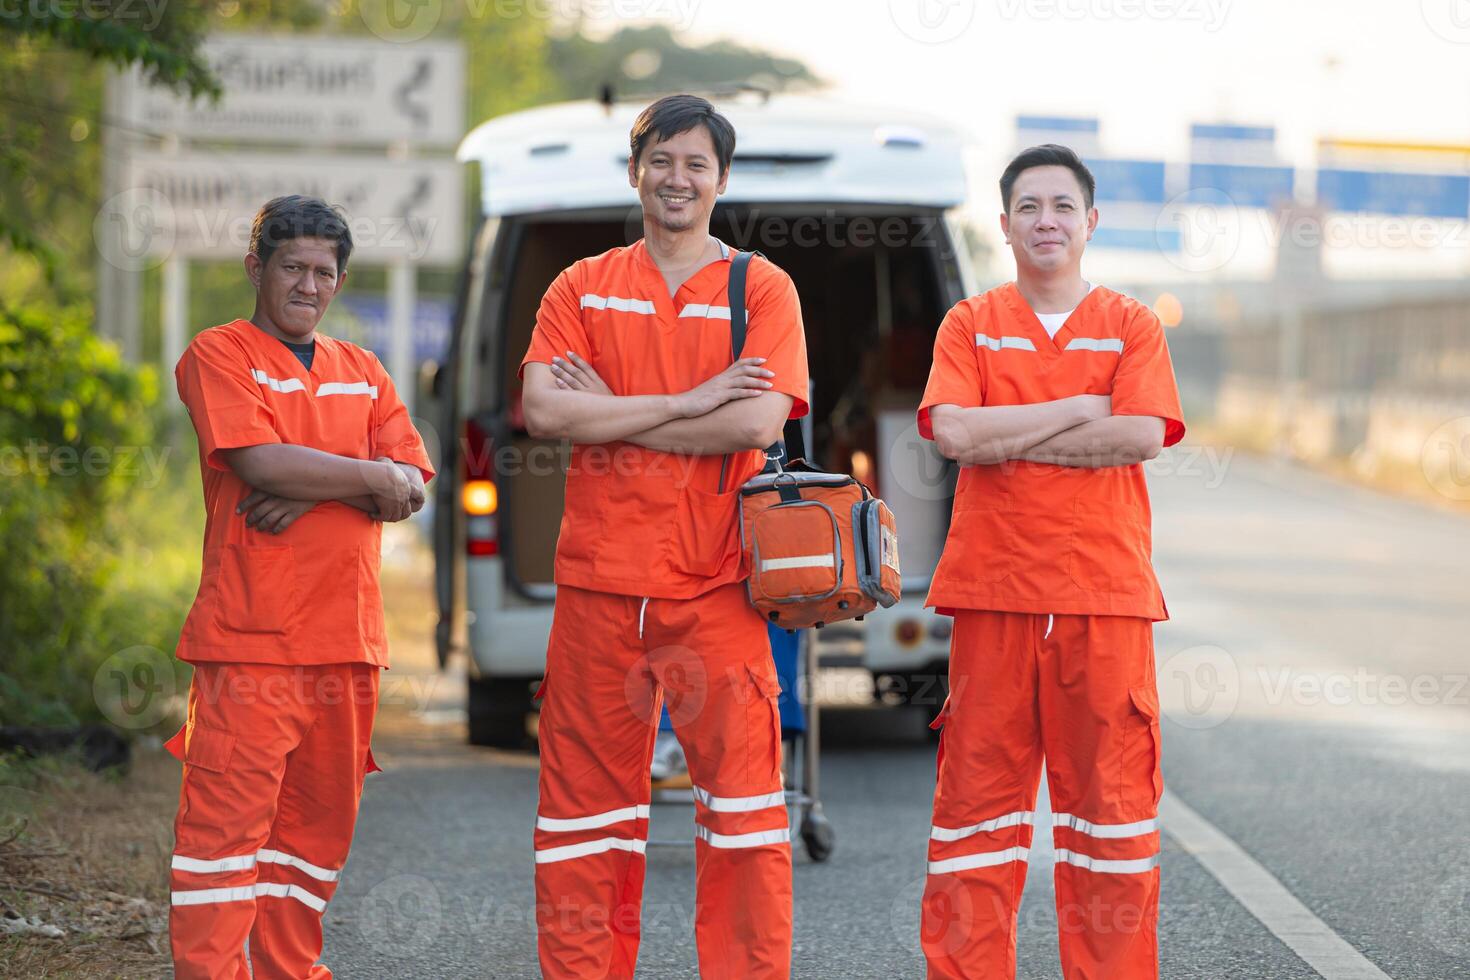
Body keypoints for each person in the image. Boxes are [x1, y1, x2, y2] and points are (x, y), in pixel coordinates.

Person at [519, 94, 809, 979]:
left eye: (697, 163)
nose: (677, 178)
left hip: (717, 585)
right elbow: (540, 409)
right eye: (662, 160)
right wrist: (687, 402)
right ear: (634, 169)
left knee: (744, 814)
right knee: (581, 817)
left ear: (721, 179)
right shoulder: (581, 284)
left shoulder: (759, 287)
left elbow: (754, 424)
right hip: (601, 587)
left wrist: (605, 413)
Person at [915, 144, 1186, 979]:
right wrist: (1076, 405)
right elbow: (956, 435)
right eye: (1029, 207)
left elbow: (1139, 435)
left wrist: (1011, 430)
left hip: (1102, 601)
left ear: (1090, 221)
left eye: (1062, 206)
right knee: (974, 821)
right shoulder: (970, 323)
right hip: (994, 598)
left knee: (1108, 823)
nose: (1046, 221)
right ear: (1003, 225)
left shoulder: (1132, 324)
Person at [166, 195, 435, 979]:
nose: (309, 285)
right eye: (293, 267)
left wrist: (325, 482)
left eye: (325, 272)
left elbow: (415, 479)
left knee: (311, 847)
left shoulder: (364, 370)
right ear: (258, 268)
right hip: (250, 644)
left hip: (346, 647)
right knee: (222, 847)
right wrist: (366, 478)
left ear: (340, 280)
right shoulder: (220, 354)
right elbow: (258, 463)